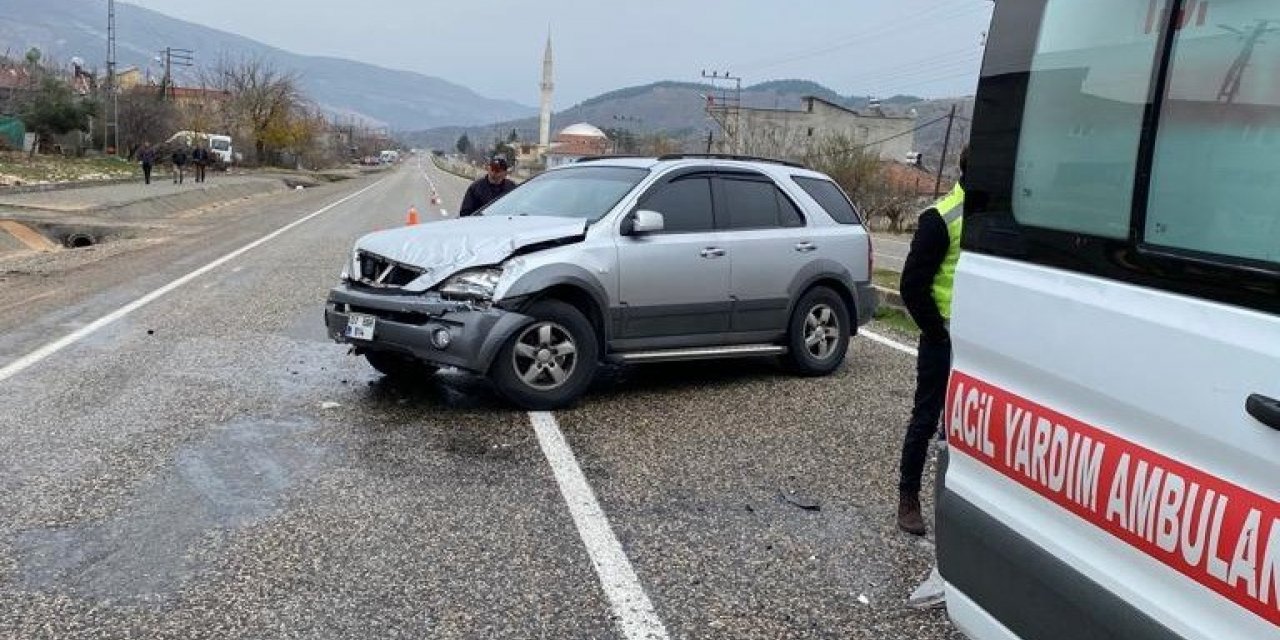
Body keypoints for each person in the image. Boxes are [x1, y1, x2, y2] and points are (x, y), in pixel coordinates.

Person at [895, 145, 967, 536]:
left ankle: (956, 501)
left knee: (964, 426)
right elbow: (912, 285)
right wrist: (937, 333)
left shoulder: (997, 219)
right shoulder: (941, 218)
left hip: (981, 343)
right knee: (926, 419)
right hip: (944, 339)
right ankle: (908, 498)